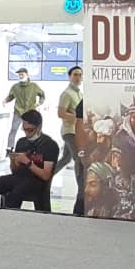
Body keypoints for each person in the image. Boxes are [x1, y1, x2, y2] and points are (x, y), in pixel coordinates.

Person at [0, 110, 59, 209]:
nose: (27, 133)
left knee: (13, 197)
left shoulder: (49, 145)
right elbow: (15, 170)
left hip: (37, 181)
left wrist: (28, 162)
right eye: (24, 129)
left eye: (30, 130)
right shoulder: (21, 142)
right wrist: (13, 160)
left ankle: (10, 217)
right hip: (19, 178)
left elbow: (45, 176)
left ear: (39, 127)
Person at [53, 66, 84, 214]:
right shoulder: (67, 94)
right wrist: (78, 119)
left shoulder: (79, 94)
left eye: (80, 75)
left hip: (76, 131)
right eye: (75, 75)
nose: (78, 77)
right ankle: (81, 190)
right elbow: (61, 113)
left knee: (65, 159)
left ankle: (45, 178)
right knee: (79, 159)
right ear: (69, 76)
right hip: (69, 132)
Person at [4, 68, 46, 151]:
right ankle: (9, 149)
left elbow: (42, 95)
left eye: (22, 74)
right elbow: (11, 96)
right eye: (19, 74)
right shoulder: (15, 87)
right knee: (13, 130)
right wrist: (5, 100)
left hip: (30, 112)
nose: (20, 76)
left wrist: (39, 103)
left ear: (27, 75)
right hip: (18, 112)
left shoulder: (34, 86)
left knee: (33, 131)